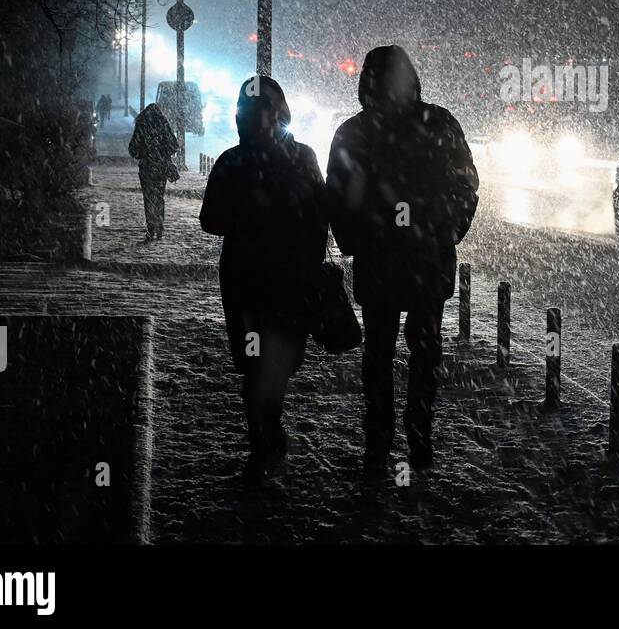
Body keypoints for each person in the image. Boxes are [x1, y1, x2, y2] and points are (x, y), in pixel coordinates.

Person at [327, 45, 478, 471]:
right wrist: (444, 231)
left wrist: (357, 238)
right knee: (424, 352)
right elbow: (466, 186)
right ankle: (418, 436)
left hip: (381, 260)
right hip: (427, 260)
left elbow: (338, 197)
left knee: (379, 354)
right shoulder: (439, 123)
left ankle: (380, 441)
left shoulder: (354, 133)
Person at [199, 76, 327, 479]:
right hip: (265, 283)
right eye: (249, 112)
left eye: (259, 112)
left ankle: (265, 432)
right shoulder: (296, 158)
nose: (253, 120)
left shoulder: (235, 161)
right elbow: (211, 219)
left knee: (268, 362)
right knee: (264, 363)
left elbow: (211, 219)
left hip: (259, 281)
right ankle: (265, 434)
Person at [128, 103, 178, 241]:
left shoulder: (142, 125)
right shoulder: (163, 124)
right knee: (159, 196)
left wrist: (144, 153)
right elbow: (174, 145)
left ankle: (151, 228)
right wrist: (162, 152)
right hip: (161, 167)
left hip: (147, 168)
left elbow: (133, 148)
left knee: (148, 197)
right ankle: (159, 224)